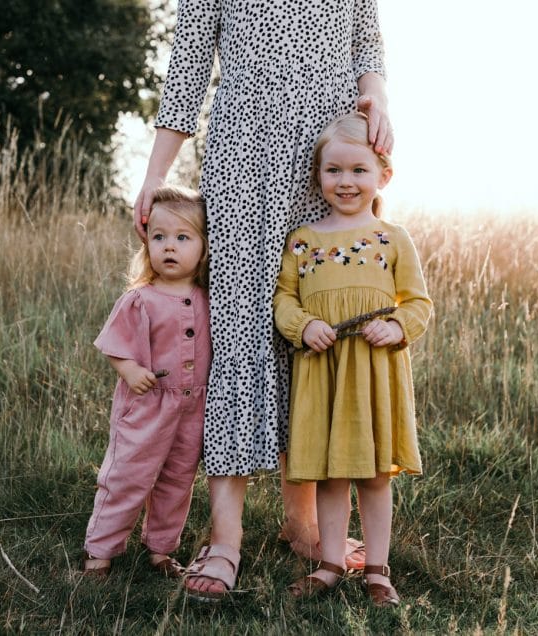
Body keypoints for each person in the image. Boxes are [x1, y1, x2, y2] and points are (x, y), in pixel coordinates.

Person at [132, 0, 394, 599]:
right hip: (243, 157)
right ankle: (226, 539)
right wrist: (154, 175)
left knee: (312, 329)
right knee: (244, 330)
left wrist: (377, 101)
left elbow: (368, 49)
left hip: (326, 161)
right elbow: (188, 73)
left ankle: (303, 524)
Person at [273, 112, 432, 604]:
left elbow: (419, 302)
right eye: (333, 170)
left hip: (372, 373)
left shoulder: (392, 237)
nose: (346, 181)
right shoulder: (303, 240)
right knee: (330, 472)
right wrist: (306, 326)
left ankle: (379, 570)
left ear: (383, 175)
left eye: (359, 171)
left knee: (374, 474)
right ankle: (331, 563)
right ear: (318, 176)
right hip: (324, 371)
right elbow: (284, 299)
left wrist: (397, 326)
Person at [82, 185, 211, 579]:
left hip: (192, 408)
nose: (169, 247)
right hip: (147, 404)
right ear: (147, 245)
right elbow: (113, 344)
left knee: (178, 478)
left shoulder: (207, 297)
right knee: (128, 475)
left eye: (182, 238)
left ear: (204, 248)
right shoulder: (141, 299)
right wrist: (130, 370)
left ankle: (160, 548)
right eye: (159, 237)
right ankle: (100, 551)